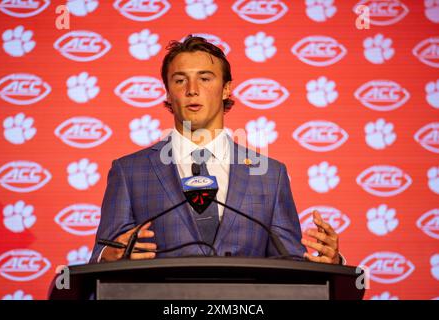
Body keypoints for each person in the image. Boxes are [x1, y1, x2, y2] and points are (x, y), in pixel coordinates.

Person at [89, 36, 341, 264]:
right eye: (180, 80)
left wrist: (330, 263)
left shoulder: (269, 175)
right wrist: (106, 257)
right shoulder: (129, 171)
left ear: (226, 89)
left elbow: (290, 264)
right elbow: (104, 255)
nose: (192, 90)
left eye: (205, 78)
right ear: (167, 92)